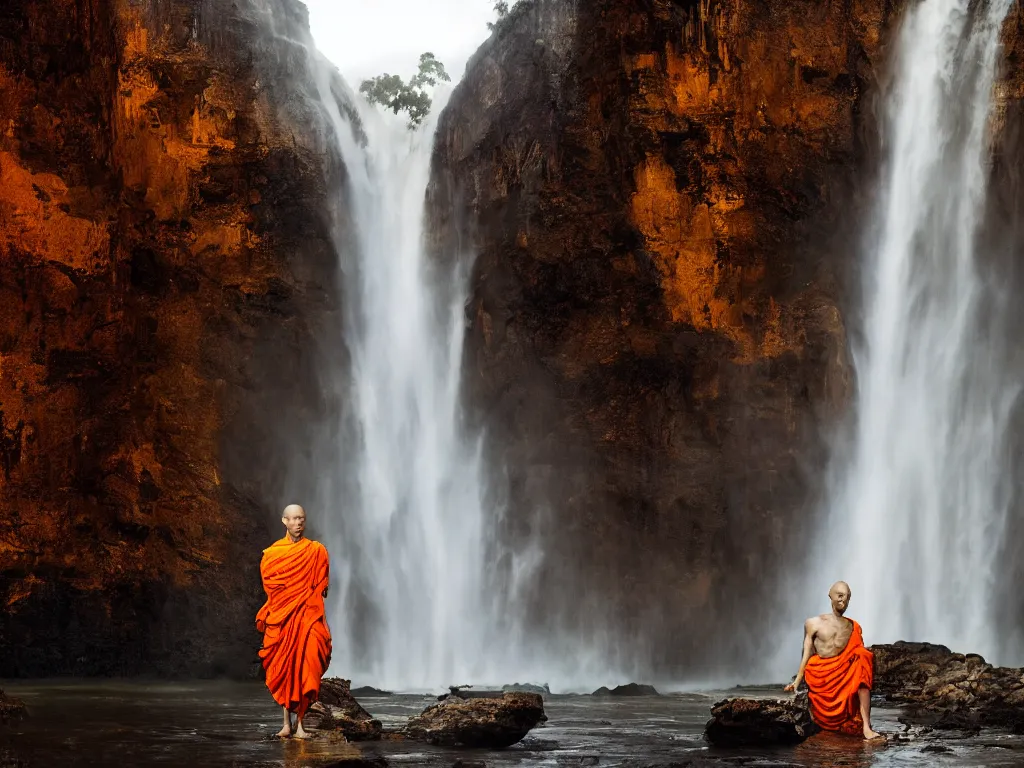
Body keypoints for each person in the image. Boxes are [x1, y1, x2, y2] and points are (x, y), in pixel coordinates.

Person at [255, 504, 332, 739]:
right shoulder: (272, 555)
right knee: (285, 667)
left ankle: (301, 726)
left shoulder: (317, 551)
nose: (299, 523)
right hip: (284, 617)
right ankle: (286, 724)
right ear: (284, 521)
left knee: (308, 665)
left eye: (302, 518)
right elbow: (272, 590)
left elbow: (323, 589)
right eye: (294, 519)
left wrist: (310, 588)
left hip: (308, 618)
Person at [784, 581, 882, 740]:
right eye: (840, 596)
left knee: (863, 659)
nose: (844, 601)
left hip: (844, 671)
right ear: (831, 596)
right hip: (822, 674)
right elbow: (807, 652)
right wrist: (797, 681)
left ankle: (866, 727)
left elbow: (856, 650)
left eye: (848, 598)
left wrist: (860, 656)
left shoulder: (853, 626)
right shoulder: (813, 623)